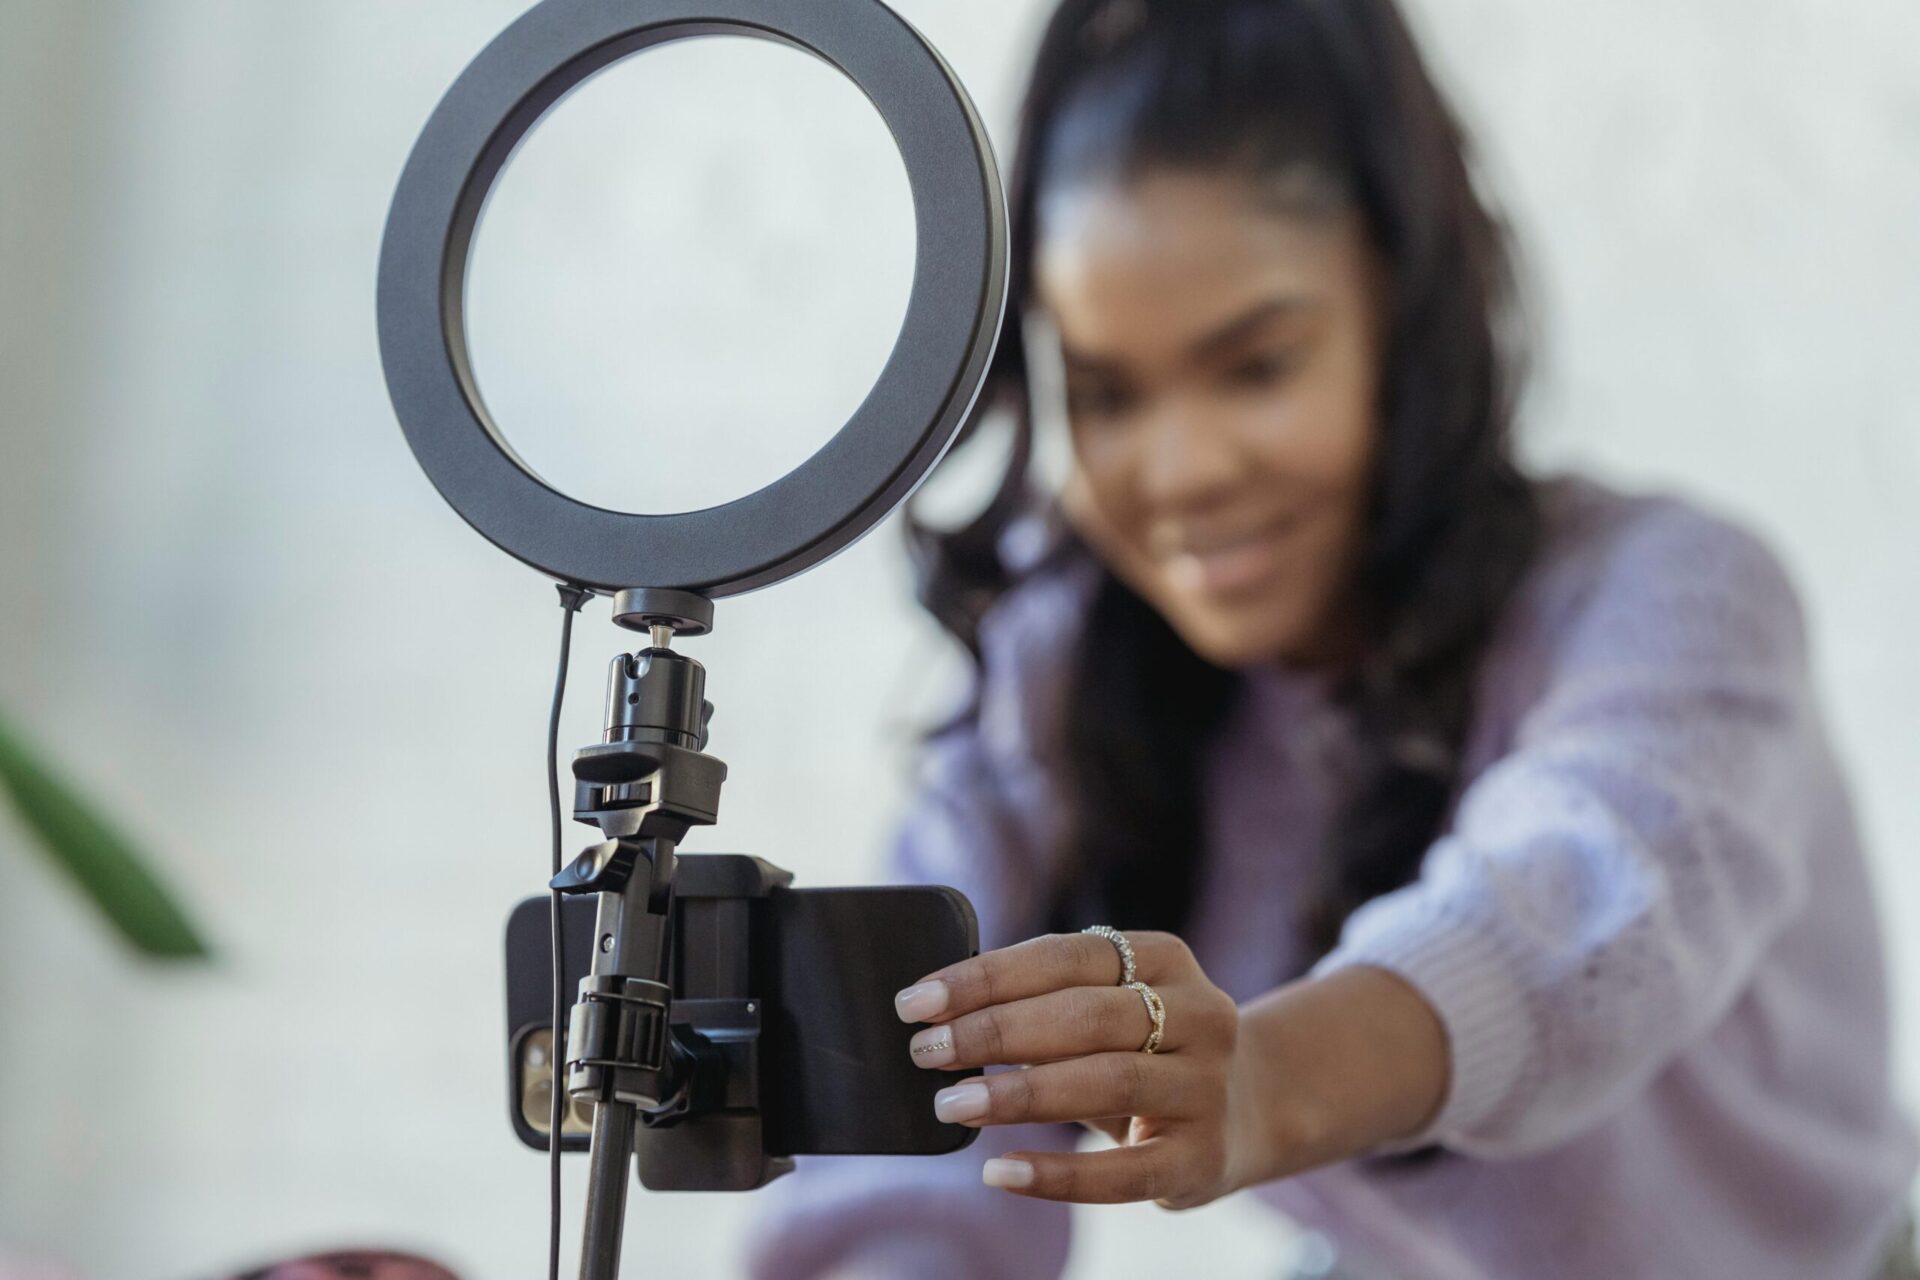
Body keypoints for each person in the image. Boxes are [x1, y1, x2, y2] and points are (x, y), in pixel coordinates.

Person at [745, 1, 1917, 1276]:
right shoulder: (1061, 670)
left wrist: (1262, 1082)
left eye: (1258, 365)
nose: (1182, 470)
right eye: (1110, 394)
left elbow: (1573, 909)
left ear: (1401, 318)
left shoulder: (1675, 598)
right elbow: (909, 1132)